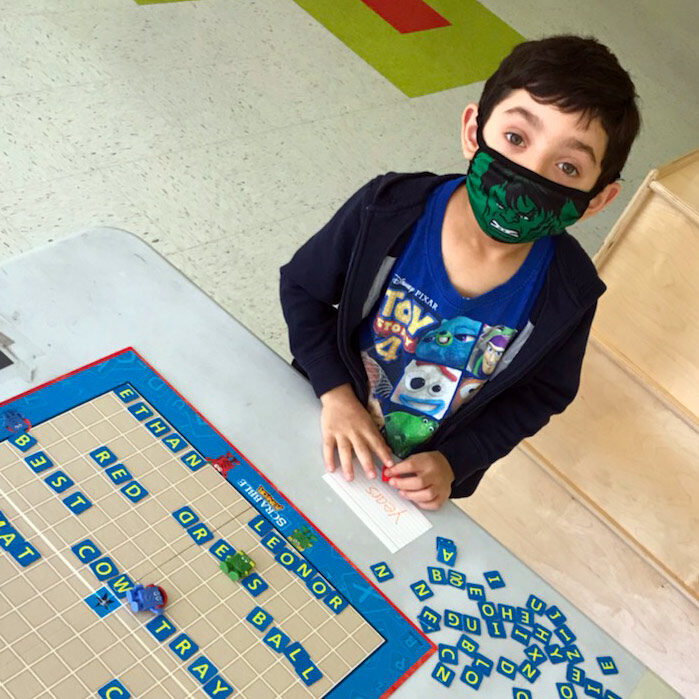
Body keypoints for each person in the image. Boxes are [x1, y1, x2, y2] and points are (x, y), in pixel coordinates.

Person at [279, 35, 640, 510]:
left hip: (406, 487)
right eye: (515, 138)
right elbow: (303, 289)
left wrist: (454, 461)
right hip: (317, 413)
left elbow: (539, 396)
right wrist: (336, 394)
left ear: (596, 200)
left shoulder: (568, 294)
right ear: (474, 131)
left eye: (568, 167)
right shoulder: (387, 208)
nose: (528, 173)